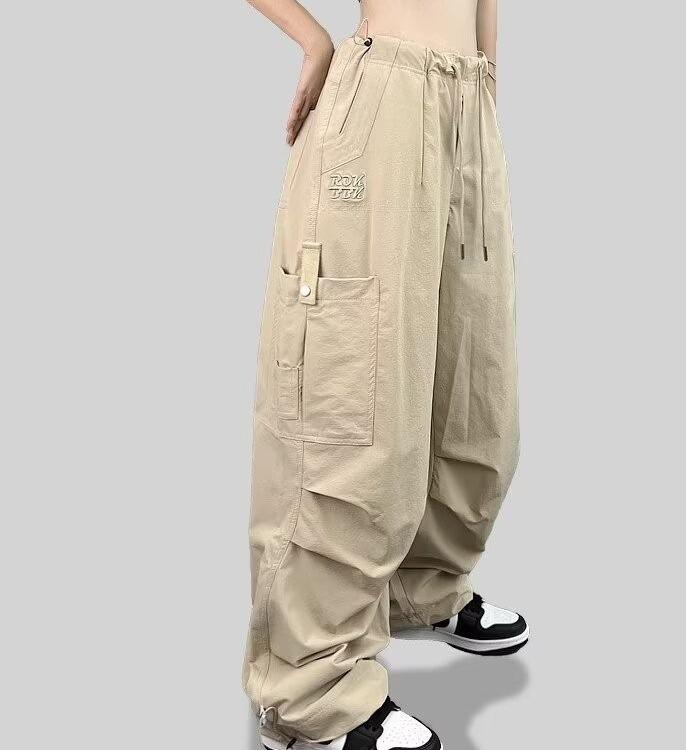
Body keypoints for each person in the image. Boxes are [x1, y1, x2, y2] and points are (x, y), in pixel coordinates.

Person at [242, 2, 527, 748]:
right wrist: (312, 39)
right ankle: (309, 689)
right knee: (353, 387)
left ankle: (422, 587)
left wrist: (485, 89)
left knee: (470, 376)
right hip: (385, 98)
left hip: (468, 100)